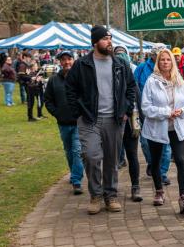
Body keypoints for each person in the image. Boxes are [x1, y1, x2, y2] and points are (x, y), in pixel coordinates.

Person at [65, 25, 136, 215]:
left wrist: (126, 110)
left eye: (110, 38)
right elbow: (70, 89)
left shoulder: (120, 64)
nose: (109, 41)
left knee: (112, 160)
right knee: (91, 155)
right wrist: (78, 113)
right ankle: (95, 195)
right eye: (105, 39)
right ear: (95, 42)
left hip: (114, 119)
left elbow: (131, 88)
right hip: (89, 120)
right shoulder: (82, 65)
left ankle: (110, 196)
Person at [142, 48, 184, 212]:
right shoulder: (151, 81)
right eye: (162, 60)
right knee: (156, 161)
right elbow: (146, 107)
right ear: (158, 62)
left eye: (168, 59)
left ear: (173, 61)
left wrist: (182, 111)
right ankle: (159, 192)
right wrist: (166, 112)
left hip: (176, 127)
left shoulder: (178, 80)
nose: (165, 62)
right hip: (157, 128)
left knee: (180, 160)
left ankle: (183, 197)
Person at [44, 51, 85, 195]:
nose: (67, 62)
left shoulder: (80, 78)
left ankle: (76, 181)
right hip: (63, 123)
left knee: (77, 151)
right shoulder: (54, 80)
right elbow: (48, 100)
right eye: (64, 60)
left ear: (73, 61)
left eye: (69, 59)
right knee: (69, 151)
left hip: (79, 122)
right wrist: (56, 113)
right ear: (60, 62)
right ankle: (74, 172)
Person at [134, 44, 172, 185]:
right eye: (159, 56)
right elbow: (133, 88)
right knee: (145, 143)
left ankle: (162, 172)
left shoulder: (170, 70)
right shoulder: (141, 69)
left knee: (166, 146)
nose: (163, 60)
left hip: (166, 115)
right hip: (145, 112)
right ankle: (153, 164)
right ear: (153, 55)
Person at [113, 45, 143, 202]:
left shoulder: (132, 80)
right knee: (112, 157)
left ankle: (135, 186)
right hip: (113, 123)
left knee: (132, 155)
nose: (120, 58)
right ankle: (111, 189)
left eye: (123, 55)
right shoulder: (110, 79)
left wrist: (136, 121)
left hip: (131, 123)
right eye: (117, 55)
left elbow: (137, 101)